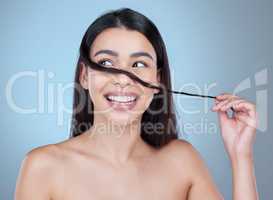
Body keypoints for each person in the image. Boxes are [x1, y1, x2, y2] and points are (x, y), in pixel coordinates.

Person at [14, 8, 259, 200]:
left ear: (158, 79)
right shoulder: (43, 167)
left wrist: (241, 155)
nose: (123, 79)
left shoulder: (182, 161)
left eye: (139, 64)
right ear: (84, 76)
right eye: (107, 63)